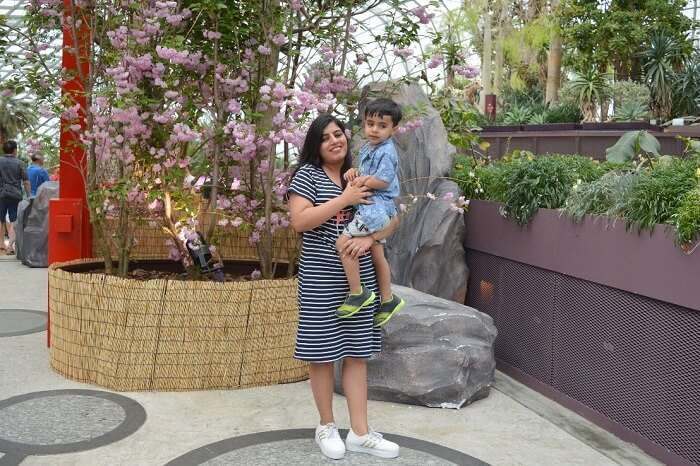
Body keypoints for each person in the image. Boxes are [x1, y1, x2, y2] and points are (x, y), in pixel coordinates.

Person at [287, 114, 401, 460]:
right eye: (325, 137)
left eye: (339, 134)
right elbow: (300, 221)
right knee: (320, 354)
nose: (335, 140)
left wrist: (371, 240)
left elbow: (392, 218)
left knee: (357, 353)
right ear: (315, 146)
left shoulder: (362, 171)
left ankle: (360, 433)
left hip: (359, 279)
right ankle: (326, 426)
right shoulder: (307, 176)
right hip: (321, 278)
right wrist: (345, 199)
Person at [335, 98, 405, 328]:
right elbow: (367, 172)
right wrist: (355, 172)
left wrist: (364, 180)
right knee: (377, 256)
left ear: (394, 129)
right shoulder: (370, 147)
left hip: (373, 210)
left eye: (382, 125)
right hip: (376, 209)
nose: (374, 129)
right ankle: (387, 299)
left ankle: (358, 292)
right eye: (370, 123)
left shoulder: (387, 151)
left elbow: (383, 180)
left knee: (343, 244)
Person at [0, 140, 30, 254]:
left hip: (1, 194)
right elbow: (26, 181)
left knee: (0, 219)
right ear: (15, 150)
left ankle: (1, 244)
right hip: (15, 195)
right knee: (14, 220)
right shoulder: (20, 163)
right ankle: (10, 247)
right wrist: (29, 196)